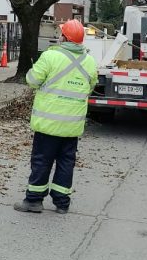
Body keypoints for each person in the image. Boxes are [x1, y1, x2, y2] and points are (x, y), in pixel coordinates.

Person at [14, 19, 98, 215]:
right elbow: (91, 86)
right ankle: (62, 203)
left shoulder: (50, 56)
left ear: (64, 38)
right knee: (66, 161)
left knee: (42, 161)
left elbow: (32, 80)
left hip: (49, 123)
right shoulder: (90, 61)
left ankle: (34, 200)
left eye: (61, 34)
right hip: (72, 125)